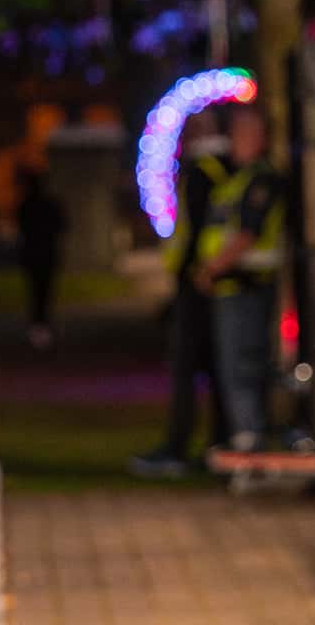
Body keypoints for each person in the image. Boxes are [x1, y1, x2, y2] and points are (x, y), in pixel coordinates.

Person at [131, 112, 231, 477]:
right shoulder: (225, 168)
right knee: (220, 368)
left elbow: (196, 230)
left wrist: (190, 272)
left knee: (188, 367)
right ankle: (220, 442)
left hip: (199, 281)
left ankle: (179, 447)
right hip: (217, 281)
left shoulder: (203, 171)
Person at [193, 105, 285, 452]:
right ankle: (244, 435)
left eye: (244, 134)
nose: (236, 142)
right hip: (234, 286)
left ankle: (249, 439)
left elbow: (247, 234)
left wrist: (211, 268)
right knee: (236, 364)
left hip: (247, 286)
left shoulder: (259, 179)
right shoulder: (238, 178)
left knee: (241, 365)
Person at [14, 168, 66, 350]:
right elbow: (62, 226)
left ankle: (38, 326)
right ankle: (41, 326)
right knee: (44, 292)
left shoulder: (26, 205)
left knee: (36, 292)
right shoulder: (50, 204)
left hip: (34, 254)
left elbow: (20, 228)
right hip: (46, 254)